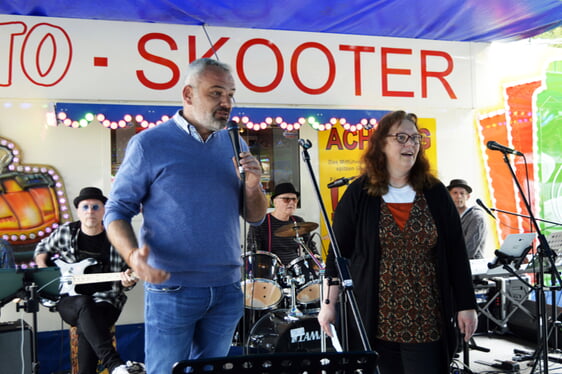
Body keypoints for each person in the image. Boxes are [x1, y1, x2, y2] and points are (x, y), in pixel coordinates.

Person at [103, 58, 268, 374]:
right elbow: (117, 210)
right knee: (166, 371)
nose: (226, 103)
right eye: (216, 93)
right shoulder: (149, 144)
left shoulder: (236, 142)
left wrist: (253, 186)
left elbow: (256, 217)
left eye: (231, 94)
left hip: (228, 286)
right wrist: (132, 256)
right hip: (172, 287)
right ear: (188, 94)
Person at [317, 111, 477, 373]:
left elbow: (457, 254)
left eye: (415, 138)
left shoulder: (435, 191)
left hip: (428, 317)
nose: (410, 144)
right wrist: (328, 305)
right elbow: (337, 255)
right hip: (375, 318)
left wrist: (466, 305)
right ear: (381, 144)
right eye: (401, 137)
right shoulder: (359, 192)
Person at [34, 187, 143, 374]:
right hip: (69, 300)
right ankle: (115, 365)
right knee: (85, 306)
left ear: (104, 211)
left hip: (108, 300)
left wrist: (129, 281)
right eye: (85, 207)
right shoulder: (66, 233)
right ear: (78, 211)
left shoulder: (118, 237)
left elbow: (132, 270)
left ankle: (111, 367)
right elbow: (40, 250)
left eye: (95, 207)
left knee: (90, 320)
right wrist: (45, 270)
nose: (90, 211)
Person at [247, 182, 317, 266]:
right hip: (271, 271)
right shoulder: (261, 222)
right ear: (274, 202)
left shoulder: (298, 221)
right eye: (286, 199)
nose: (291, 203)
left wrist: (316, 260)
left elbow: (310, 247)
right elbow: (253, 252)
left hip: (296, 270)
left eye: (294, 199)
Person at [447, 179, 488, 259]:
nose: (458, 196)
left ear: (468, 196)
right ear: (448, 195)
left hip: (472, 267)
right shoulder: (448, 217)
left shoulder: (476, 217)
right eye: (455, 193)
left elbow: (468, 250)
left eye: (462, 193)